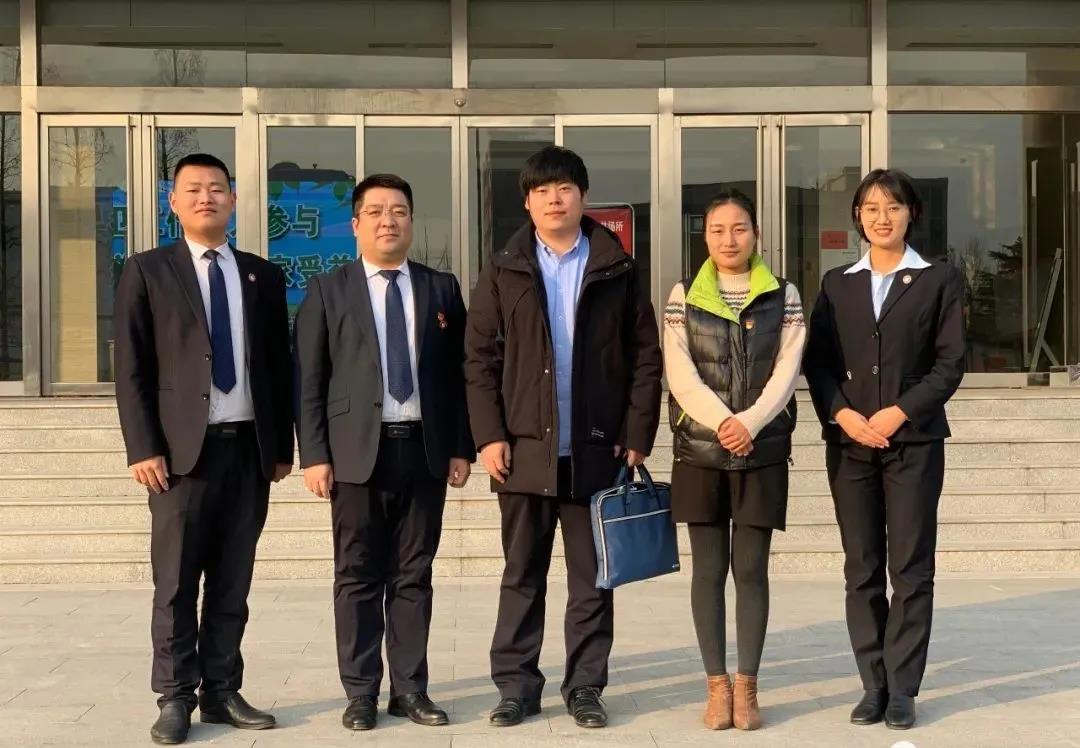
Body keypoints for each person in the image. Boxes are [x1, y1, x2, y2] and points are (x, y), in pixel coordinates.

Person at [465, 145, 662, 730]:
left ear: (583, 196)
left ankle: (585, 687)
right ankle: (516, 686)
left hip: (595, 449)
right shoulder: (503, 269)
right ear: (527, 202)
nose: (555, 199)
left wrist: (637, 431)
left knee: (592, 580)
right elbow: (479, 360)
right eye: (542, 190)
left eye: (565, 188)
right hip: (523, 451)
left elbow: (644, 357)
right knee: (521, 575)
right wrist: (489, 436)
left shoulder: (616, 267)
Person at [114, 153, 294, 745]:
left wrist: (282, 445)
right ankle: (174, 695)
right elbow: (131, 368)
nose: (206, 197)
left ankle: (221, 690)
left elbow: (278, 365)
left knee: (232, 581)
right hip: (178, 456)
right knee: (175, 582)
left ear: (233, 201)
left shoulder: (261, 276)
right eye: (193, 189)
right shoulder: (147, 271)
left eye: (217, 188)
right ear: (173, 202)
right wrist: (143, 446)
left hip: (247, 449)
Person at [294, 174, 474, 732]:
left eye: (398, 210)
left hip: (424, 450)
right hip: (354, 456)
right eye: (374, 211)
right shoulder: (329, 289)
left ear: (411, 221)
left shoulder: (441, 288)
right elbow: (309, 379)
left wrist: (461, 446)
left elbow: (460, 374)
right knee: (357, 576)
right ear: (355, 224)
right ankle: (361, 692)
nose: (387, 220)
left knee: (414, 575)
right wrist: (314, 454)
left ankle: (410, 689)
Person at [803, 168, 965, 730]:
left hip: (913, 443)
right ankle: (872, 684)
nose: (882, 217)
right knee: (862, 568)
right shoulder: (837, 283)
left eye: (893, 207)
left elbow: (950, 362)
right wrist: (843, 414)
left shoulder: (938, 279)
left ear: (911, 213)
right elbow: (818, 362)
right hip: (851, 446)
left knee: (912, 568)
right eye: (871, 208)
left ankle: (903, 688)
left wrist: (899, 412)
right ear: (857, 216)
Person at [663, 189, 805, 731]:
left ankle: (747, 687)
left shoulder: (784, 295)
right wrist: (725, 423)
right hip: (700, 451)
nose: (729, 239)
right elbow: (679, 373)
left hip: (761, 451)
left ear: (756, 234)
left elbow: (787, 369)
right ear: (705, 236)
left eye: (739, 228)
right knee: (707, 570)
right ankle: (716, 686)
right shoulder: (683, 295)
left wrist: (749, 424)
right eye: (718, 230)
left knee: (751, 569)